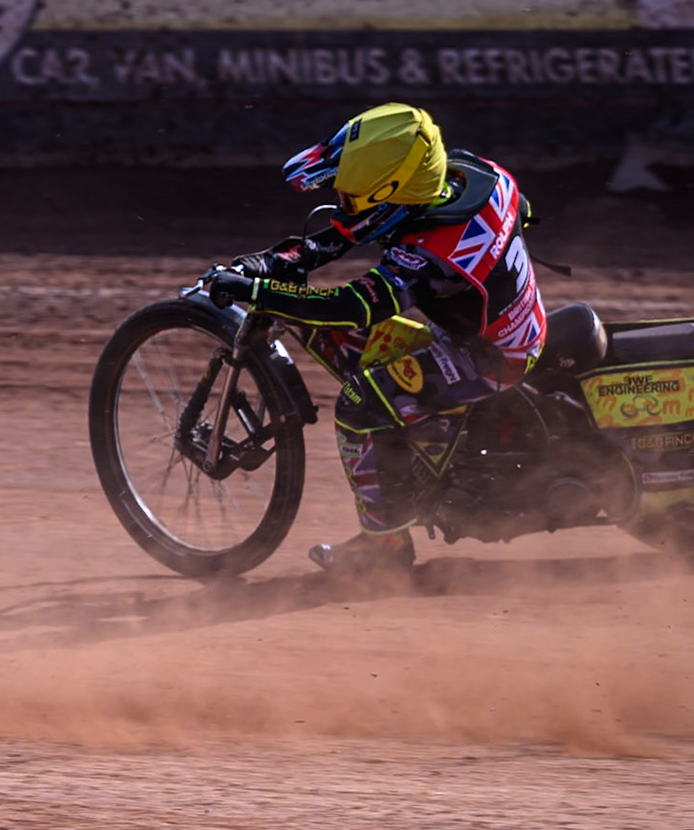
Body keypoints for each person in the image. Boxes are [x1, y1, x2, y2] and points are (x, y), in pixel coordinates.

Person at [204, 103, 548, 574]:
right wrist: (279, 259)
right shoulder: (476, 174)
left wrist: (259, 291)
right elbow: (521, 212)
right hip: (505, 321)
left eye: (350, 196)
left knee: (360, 402)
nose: (341, 204)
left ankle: (384, 549)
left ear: (395, 193)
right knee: (366, 349)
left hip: (494, 356)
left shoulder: (433, 253)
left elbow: (352, 305)